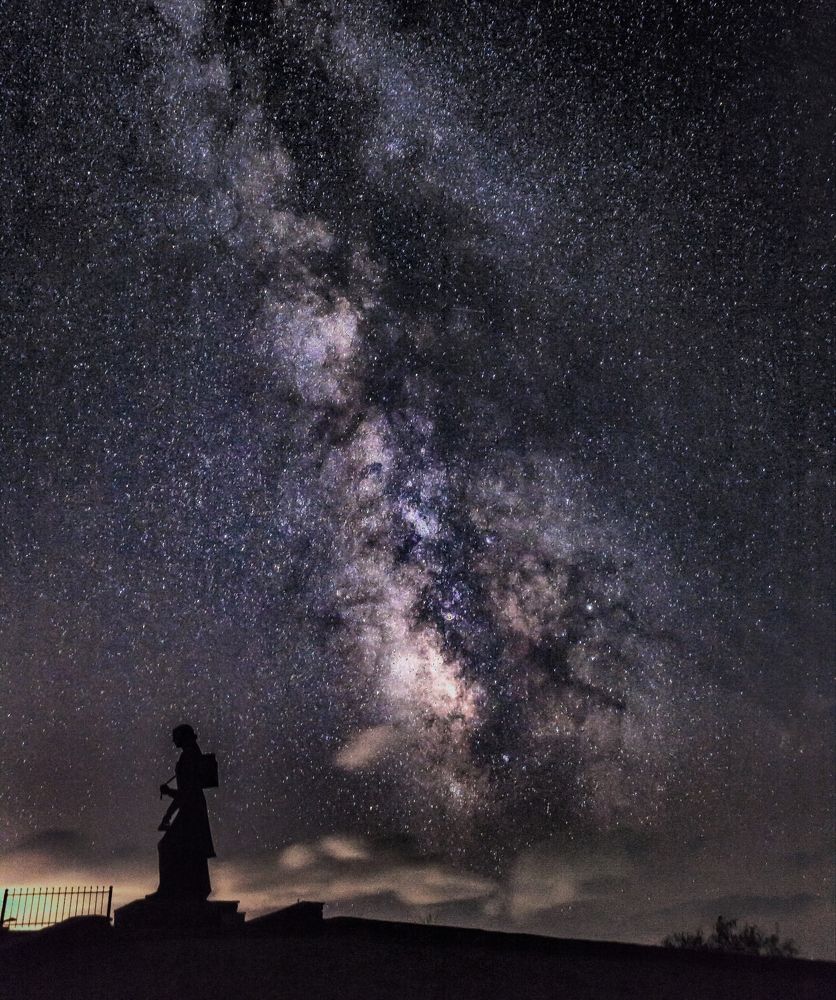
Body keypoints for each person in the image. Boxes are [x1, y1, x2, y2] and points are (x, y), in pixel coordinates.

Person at [152, 724, 215, 900]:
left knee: (167, 846)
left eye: (175, 736)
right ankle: (193, 889)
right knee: (191, 851)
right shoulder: (192, 754)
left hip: (191, 811)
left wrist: (168, 805)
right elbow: (186, 793)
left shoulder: (189, 757)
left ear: (183, 737)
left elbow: (185, 793)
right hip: (193, 809)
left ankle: (167, 890)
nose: (173, 740)